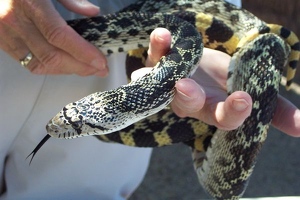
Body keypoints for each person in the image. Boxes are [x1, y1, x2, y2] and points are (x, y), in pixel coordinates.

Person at [0, 0, 299, 199]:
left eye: (78, 125)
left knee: (81, 189)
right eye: (77, 124)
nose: (57, 127)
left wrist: (225, 43)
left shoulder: (149, 86)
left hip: (137, 41)